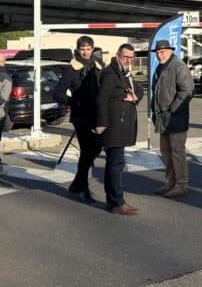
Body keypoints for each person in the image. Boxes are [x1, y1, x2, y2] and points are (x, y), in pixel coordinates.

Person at [52, 35, 104, 203]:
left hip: (96, 115)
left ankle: (76, 183)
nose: (86, 52)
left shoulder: (98, 65)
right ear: (78, 49)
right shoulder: (71, 68)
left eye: (88, 49)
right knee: (87, 150)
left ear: (92, 49)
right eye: (83, 49)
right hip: (81, 116)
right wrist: (73, 101)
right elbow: (57, 93)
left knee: (96, 148)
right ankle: (83, 188)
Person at [95, 43, 142, 215]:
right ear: (117, 55)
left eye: (131, 58)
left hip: (121, 126)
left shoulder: (125, 73)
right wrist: (103, 124)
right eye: (125, 57)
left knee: (114, 164)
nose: (128, 60)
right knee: (116, 164)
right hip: (113, 127)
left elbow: (139, 89)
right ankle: (118, 202)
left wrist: (134, 97)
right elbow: (101, 99)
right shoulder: (110, 74)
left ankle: (113, 201)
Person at [151, 39, 195, 198]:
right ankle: (171, 181)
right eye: (157, 52)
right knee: (165, 151)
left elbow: (187, 90)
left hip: (175, 117)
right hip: (163, 117)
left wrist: (172, 109)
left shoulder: (179, 66)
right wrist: (154, 112)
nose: (159, 55)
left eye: (162, 52)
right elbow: (155, 92)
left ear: (170, 51)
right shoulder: (159, 68)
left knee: (177, 151)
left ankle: (181, 184)